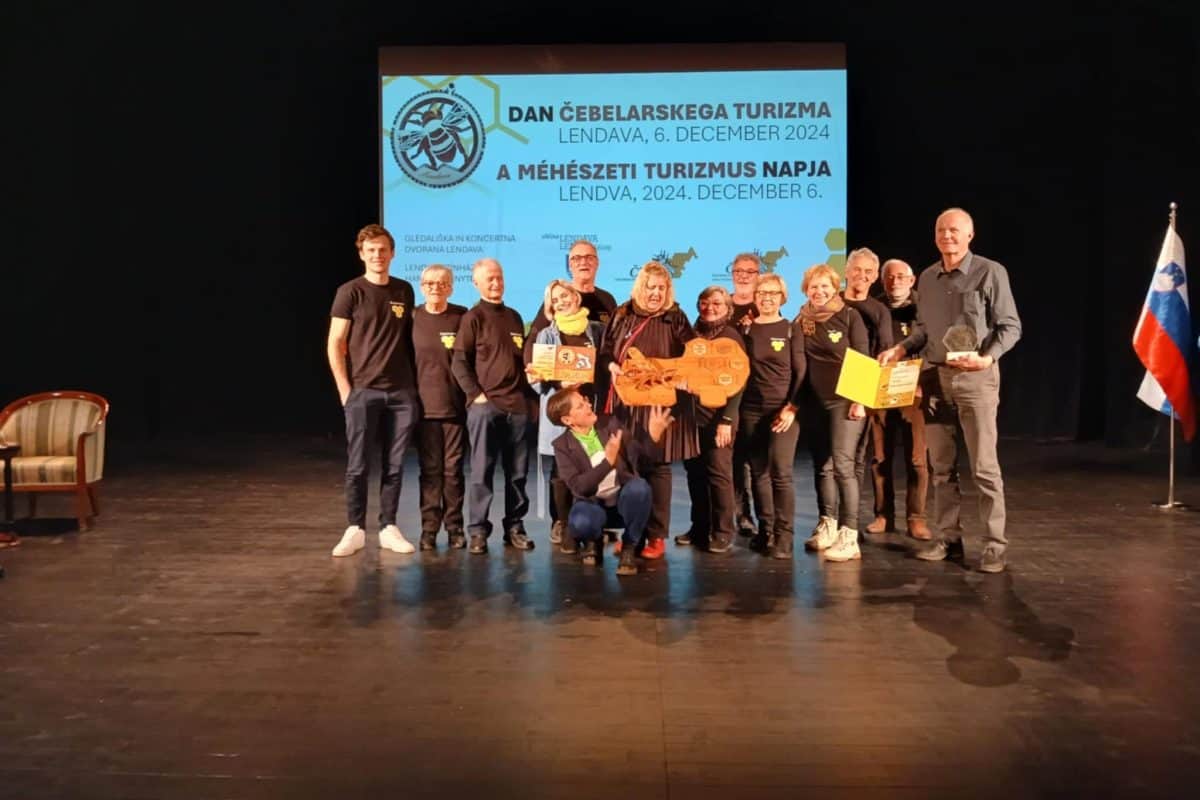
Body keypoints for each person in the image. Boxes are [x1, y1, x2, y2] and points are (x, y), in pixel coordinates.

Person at [879, 208, 1022, 573]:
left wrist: (987, 358)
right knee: (941, 467)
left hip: (975, 380)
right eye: (941, 230)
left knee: (984, 468)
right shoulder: (927, 278)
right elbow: (924, 330)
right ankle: (948, 539)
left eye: (955, 230)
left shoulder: (990, 272)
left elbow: (1010, 326)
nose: (947, 236)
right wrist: (901, 349)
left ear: (970, 235)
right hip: (934, 379)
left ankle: (994, 546)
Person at [327, 224, 419, 557]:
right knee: (358, 465)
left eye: (383, 250)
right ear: (362, 254)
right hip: (363, 391)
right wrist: (345, 390)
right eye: (371, 250)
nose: (377, 255)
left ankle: (388, 527)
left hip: (402, 393)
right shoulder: (349, 292)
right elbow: (335, 342)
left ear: (392, 253)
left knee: (395, 464)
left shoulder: (404, 290)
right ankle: (355, 528)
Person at [599, 261, 698, 559]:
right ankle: (632, 535)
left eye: (661, 288)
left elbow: (693, 354)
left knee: (658, 468)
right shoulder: (622, 313)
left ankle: (656, 537)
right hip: (627, 403)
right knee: (629, 467)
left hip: (660, 404)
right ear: (640, 287)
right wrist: (612, 366)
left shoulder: (675, 317)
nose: (656, 293)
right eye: (651, 287)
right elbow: (605, 352)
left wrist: (682, 375)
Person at [451, 258, 536, 554]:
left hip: (517, 408)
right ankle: (477, 531)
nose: (496, 283)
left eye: (499, 277)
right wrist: (477, 396)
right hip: (485, 408)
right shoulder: (472, 317)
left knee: (518, 474)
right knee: (481, 471)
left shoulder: (514, 317)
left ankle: (514, 527)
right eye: (489, 279)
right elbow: (459, 362)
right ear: (476, 283)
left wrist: (529, 398)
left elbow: (521, 363)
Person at [548, 389, 675, 576]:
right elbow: (580, 487)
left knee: (639, 489)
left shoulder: (610, 424)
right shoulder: (562, 446)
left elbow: (640, 459)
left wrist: (653, 438)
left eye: (586, 400)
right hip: (592, 506)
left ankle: (629, 547)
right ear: (568, 420)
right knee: (581, 521)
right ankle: (593, 541)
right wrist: (607, 462)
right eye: (581, 406)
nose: (589, 405)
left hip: (622, 504)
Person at [525, 279, 604, 553]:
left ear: (575, 296)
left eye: (565, 295)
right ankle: (561, 522)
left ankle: (592, 522)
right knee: (560, 470)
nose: (561, 302)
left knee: (592, 465)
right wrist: (551, 380)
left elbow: (604, 368)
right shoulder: (546, 335)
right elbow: (538, 384)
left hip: (590, 408)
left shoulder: (596, 330)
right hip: (561, 411)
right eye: (555, 300)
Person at [797, 264, 869, 562]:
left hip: (845, 401)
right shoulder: (802, 319)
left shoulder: (850, 316)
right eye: (814, 287)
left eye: (825, 286)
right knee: (823, 467)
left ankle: (849, 536)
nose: (819, 291)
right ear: (806, 290)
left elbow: (863, 357)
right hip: (815, 403)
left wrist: (860, 400)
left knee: (842, 466)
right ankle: (828, 525)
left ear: (835, 287)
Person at [736, 273, 806, 558]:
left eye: (773, 293)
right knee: (758, 473)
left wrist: (792, 408)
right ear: (754, 296)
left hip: (783, 411)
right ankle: (766, 531)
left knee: (781, 473)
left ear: (783, 297)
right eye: (762, 292)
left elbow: (801, 372)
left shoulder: (791, 329)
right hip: (751, 410)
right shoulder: (745, 330)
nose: (767, 298)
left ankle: (784, 537)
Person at [676, 287, 744, 553]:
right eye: (704, 302)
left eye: (716, 303)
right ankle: (699, 528)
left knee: (719, 474)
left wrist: (727, 420)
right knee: (695, 474)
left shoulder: (731, 337)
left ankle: (723, 531)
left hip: (719, 418)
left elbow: (739, 383)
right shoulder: (692, 334)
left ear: (728, 308)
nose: (709, 308)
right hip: (692, 417)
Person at [866, 259, 931, 540]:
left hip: (914, 389)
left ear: (912, 280)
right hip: (880, 388)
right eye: (890, 277)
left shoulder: (924, 306)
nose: (895, 282)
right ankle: (883, 515)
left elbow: (931, 343)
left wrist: (924, 382)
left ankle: (916, 519)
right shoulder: (874, 307)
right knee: (880, 457)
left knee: (917, 459)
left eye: (901, 277)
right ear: (883, 280)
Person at [411, 264, 468, 550]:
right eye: (430, 283)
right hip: (424, 409)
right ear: (422, 287)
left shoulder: (462, 316)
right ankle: (429, 529)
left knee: (453, 471)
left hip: (455, 408)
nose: (436, 287)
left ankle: (455, 527)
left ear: (451, 287)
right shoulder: (412, 318)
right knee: (430, 471)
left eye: (442, 283)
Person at [841, 248, 895, 537]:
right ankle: (829, 519)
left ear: (875, 277)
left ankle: (848, 523)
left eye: (868, 272)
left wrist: (861, 396)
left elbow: (882, 353)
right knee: (828, 460)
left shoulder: (878, 311)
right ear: (846, 271)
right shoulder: (831, 302)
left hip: (859, 391)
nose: (861, 276)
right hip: (826, 389)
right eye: (857, 269)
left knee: (854, 459)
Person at [728, 252, 762, 538]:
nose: (743, 276)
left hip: (757, 393)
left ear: (758, 275)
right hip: (726, 393)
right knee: (734, 460)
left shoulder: (764, 307)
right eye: (738, 270)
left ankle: (766, 519)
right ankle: (741, 514)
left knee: (757, 460)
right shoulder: (720, 305)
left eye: (749, 271)